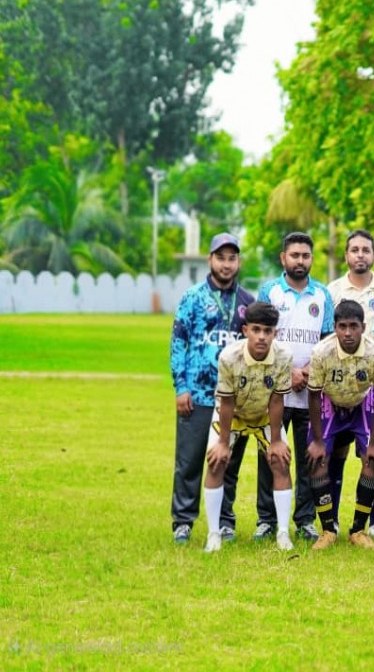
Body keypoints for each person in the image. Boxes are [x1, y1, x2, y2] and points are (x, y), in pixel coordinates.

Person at [169, 232, 253, 545]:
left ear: (238, 262)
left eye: (232, 258)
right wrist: (181, 387)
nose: (226, 264)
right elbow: (178, 342)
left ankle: (225, 521)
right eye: (221, 258)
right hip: (198, 395)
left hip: (234, 399)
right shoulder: (192, 297)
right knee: (189, 461)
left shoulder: (247, 302)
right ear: (210, 260)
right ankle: (183, 521)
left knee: (228, 463)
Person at [254, 232, 334, 543]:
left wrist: (308, 372)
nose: (300, 261)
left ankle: (305, 520)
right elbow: (262, 337)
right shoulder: (270, 291)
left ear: (311, 259)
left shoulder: (322, 294)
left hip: (310, 394)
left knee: (308, 458)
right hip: (275, 392)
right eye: (294, 255)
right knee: (271, 456)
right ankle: (267, 519)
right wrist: (288, 372)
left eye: (305, 256)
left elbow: (328, 341)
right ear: (283, 258)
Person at [202, 302, 294, 553]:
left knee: (281, 461)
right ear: (246, 330)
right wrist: (223, 443)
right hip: (232, 414)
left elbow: (277, 400)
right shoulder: (229, 357)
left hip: (264, 414)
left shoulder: (284, 356)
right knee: (216, 461)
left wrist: (276, 441)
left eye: (267, 331)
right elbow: (227, 401)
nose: (262, 336)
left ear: (275, 333)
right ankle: (213, 534)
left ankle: (283, 533)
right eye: (256, 330)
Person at [305, 299, 374, 549]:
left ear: (363, 327)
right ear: (335, 327)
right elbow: (313, 394)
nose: (348, 333)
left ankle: (358, 529)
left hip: (362, 402)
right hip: (330, 401)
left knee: (373, 459)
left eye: (354, 326)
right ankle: (327, 530)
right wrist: (318, 441)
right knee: (316, 459)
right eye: (342, 326)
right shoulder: (321, 352)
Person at [326, 229, 374, 542]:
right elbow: (327, 338)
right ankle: (333, 521)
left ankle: (372, 521)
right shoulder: (333, 291)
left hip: (373, 388)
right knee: (335, 453)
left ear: (373, 254)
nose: (360, 255)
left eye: (366, 249)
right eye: (355, 250)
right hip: (337, 389)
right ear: (347, 255)